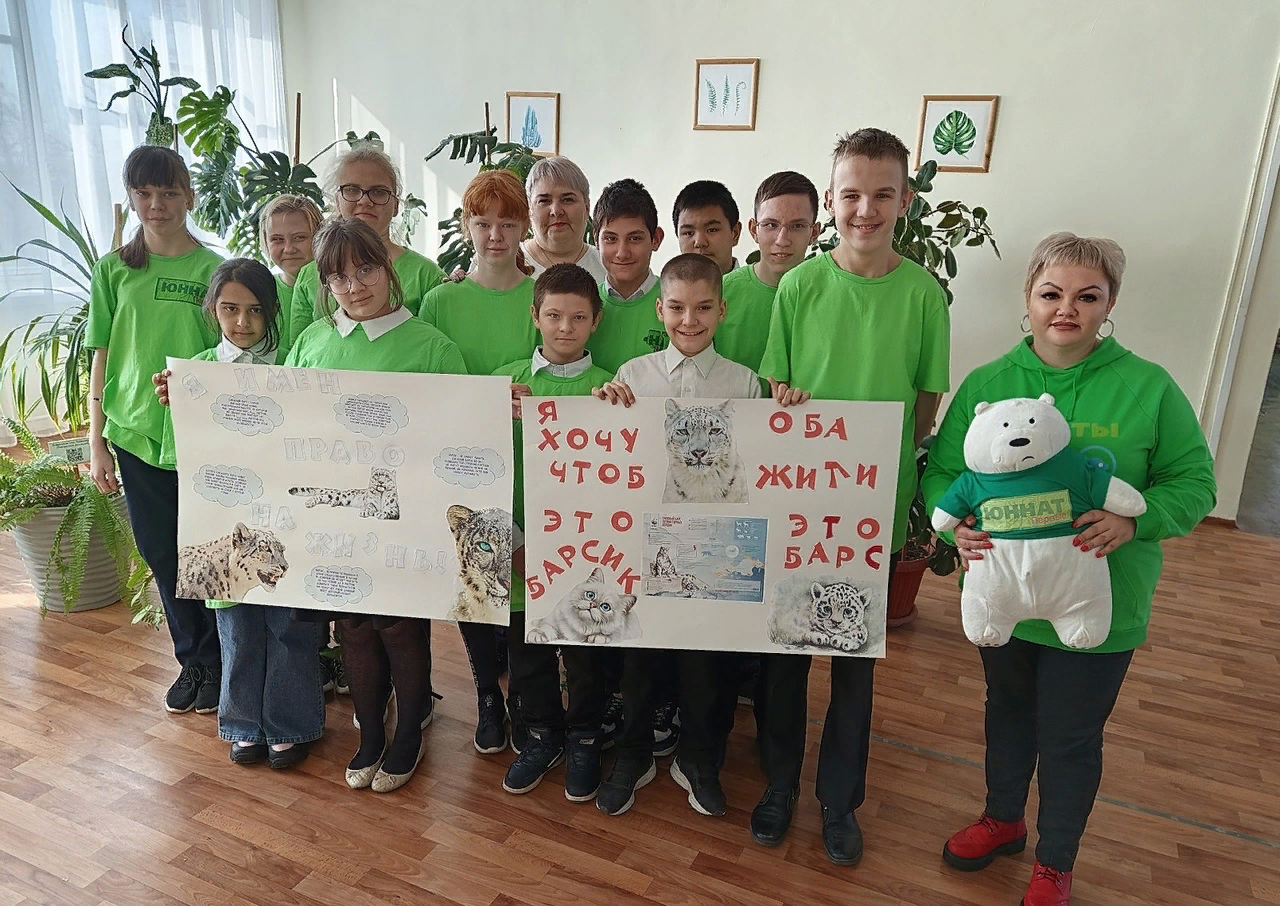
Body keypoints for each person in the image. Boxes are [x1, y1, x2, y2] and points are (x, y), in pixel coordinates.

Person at [921, 232, 1216, 906]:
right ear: (1028, 298)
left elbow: (1195, 482)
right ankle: (1002, 819)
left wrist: (1136, 521)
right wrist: (954, 528)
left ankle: (1056, 861)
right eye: (1051, 293)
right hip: (1002, 589)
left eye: (1088, 296)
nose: (1066, 309)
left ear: (1109, 304)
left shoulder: (1147, 387)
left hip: (1100, 599)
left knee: (1070, 735)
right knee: (1007, 712)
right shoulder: (988, 384)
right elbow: (943, 471)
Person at [754, 128, 951, 865]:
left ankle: (840, 801)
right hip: (797, 502)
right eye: (850, 194)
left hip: (870, 508)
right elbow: (779, 386)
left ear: (904, 201)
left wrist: (877, 462)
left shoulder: (923, 292)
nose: (865, 209)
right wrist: (791, 404)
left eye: (882, 194)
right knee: (786, 657)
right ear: (831, 202)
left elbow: (925, 402)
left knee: (853, 661)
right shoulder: (800, 286)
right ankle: (779, 784)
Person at [287, 218, 466, 794]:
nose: (354, 286)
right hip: (332, 514)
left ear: (388, 268)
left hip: (404, 513)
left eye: (365, 270)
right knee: (353, 624)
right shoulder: (312, 342)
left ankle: (409, 731)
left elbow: (457, 436)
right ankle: (368, 734)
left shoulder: (430, 345)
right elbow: (283, 424)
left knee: (400, 623)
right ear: (324, 284)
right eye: (338, 278)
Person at [592, 253, 762, 818]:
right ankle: (633, 755)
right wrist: (603, 408)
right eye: (678, 308)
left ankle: (699, 760)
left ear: (722, 310)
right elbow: (609, 448)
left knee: (705, 664)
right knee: (640, 661)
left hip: (716, 550)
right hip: (644, 547)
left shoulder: (744, 383)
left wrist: (786, 410)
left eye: (704, 308)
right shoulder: (632, 376)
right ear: (660, 310)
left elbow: (764, 461)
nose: (690, 320)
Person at [153, 259, 326, 769]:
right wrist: (178, 405)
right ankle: (243, 723)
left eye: (255, 310)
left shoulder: (295, 368)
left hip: (287, 517)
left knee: (290, 622)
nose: (242, 322)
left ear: (272, 311)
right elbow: (179, 459)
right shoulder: (195, 371)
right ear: (213, 310)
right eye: (230, 309)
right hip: (225, 520)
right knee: (237, 624)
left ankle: (291, 725)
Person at [86, 145, 223, 715]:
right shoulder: (114, 269)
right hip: (136, 432)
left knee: (207, 550)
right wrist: (96, 440)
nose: (156, 205)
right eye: (143, 193)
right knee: (161, 553)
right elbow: (101, 353)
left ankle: (222, 663)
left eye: (168, 193)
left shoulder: (214, 271)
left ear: (188, 196)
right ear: (131, 197)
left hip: (202, 436)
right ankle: (193, 663)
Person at [420, 169, 539, 755]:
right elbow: (428, 381)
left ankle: (523, 695)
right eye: (483, 223)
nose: (495, 235)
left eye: (508, 224)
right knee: (473, 578)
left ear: (524, 228)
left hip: (528, 459)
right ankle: (486, 694)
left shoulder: (540, 295)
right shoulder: (441, 300)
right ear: (466, 225)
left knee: (518, 575)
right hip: (462, 462)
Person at [494, 263, 613, 799]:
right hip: (519, 542)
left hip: (586, 548)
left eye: (578, 317)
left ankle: (585, 736)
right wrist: (493, 411)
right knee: (527, 652)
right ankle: (541, 735)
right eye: (554, 316)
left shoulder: (611, 386)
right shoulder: (506, 381)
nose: (565, 328)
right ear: (535, 316)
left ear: (596, 321)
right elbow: (478, 461)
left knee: (586, 653)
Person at [287, 142, 444, 344]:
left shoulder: (426, 275)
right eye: (352, 190)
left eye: (378, 192)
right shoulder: (310, 275)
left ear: (396, 205)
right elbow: (299, 350)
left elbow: (435, 346)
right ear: (338, 200)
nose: (364, 201)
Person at [719, 171, 822, 373]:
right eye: (770, 225)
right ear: (753, 230)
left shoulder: (831, 295)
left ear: (814, 233)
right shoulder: (719, 293)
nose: (782, 240)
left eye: (797, 226)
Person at [586, 178, 668, 373]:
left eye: (634, 238)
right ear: (596, 240)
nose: (622, 253)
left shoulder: (676, 306)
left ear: (656, 239)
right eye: (610, 239)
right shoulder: (581, 309)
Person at [258, 194, 323, 363]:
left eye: (299, 238)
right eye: (277, 240)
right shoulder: (258, 292)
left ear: (320, 236)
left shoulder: (341, 291)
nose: (288, 249)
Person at [522, 156, 607, 282]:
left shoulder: (607, 268)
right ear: (530, 209)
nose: (556, 211)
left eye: (567, 200)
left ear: (587, 207)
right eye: (544, 201)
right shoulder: (509, 264)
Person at [673, 179, 742, 275]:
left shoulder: (756, 284)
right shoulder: (666, 285)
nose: (699, 242)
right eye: (688, 233)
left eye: (712, 230)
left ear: (735, 233)